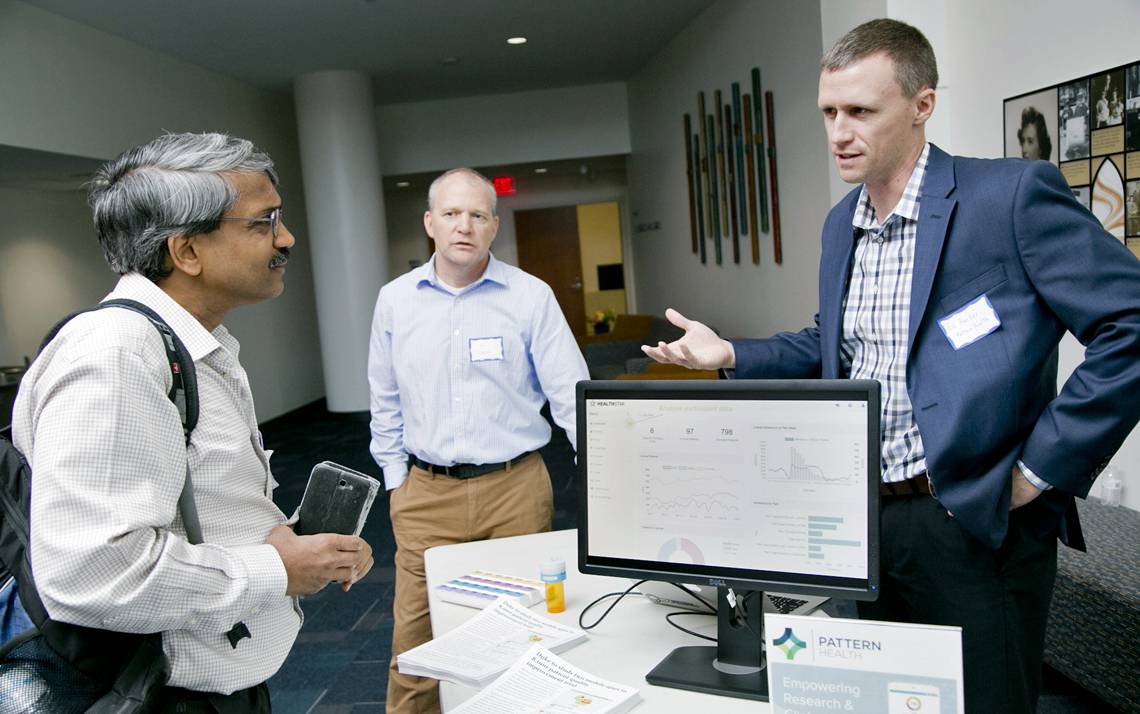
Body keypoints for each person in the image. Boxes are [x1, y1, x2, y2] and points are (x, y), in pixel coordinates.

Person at [643, 19, 1140, 714]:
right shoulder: (840, 222)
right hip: (864, 521)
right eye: (828, 112)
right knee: (879, 704)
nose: (839, 132)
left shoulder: (1010, 198)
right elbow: (837, 343)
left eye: (861, 111)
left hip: (973, 516)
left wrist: (1038, 470)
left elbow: (1130, 323)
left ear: (921, 106)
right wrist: (728, 352)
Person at [9, 132, 374, 711]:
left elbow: (194, 504)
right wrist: (276, 567)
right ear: (187, 252)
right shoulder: (117, 356)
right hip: (155, 696)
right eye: (262, 222)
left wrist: (280, 541)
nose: (286, 238)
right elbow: (93, 574)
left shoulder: (188, 346)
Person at [368, 168, 589, 713]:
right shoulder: (396, 301)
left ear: (494, 226)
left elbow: (571, 395)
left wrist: (605, 479)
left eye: (476, 215)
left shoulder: (530, 296)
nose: (462, 226)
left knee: (519, 639)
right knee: (415, 651)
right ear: (429, 224)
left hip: (514, 492)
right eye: (450, 213)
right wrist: (397, 483)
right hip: (426, 496)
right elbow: (385, 399)